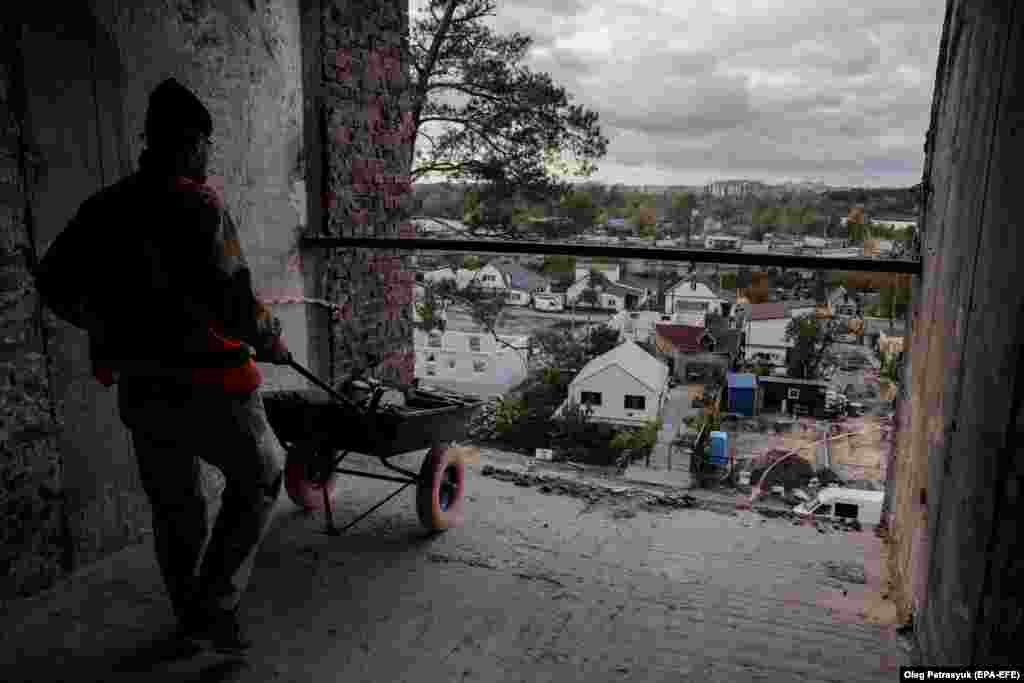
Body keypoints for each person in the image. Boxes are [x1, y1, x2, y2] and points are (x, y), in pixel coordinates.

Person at [33, 78, 293, 654]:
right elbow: (234, 298)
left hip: (144, 387)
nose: (208, 157)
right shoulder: (200, 206)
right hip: (213, 385)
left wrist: (103, 326)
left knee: (176, 505)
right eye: (205, 145)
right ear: (191, 142)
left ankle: (188, 616)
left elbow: (52, 281)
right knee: (262, 474)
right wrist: (270, 338)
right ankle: (215, 602)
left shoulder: (103, 208)